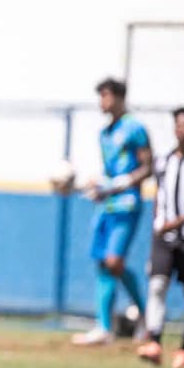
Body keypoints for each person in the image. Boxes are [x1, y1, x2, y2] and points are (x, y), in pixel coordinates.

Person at [71, 78, 152, 346]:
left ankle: (146, 316)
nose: (102, 101)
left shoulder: (135, 128)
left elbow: (147, 167)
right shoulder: (104, 133)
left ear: (119, 97)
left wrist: (120, 183)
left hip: (127, 204)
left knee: (114, 261)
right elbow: (108, 172)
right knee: (102, 262)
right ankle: (104, 327)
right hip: (107, 206)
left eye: (105, 95)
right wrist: (96, 186)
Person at [137, 107, 184, 368]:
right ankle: (154, 341)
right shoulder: (164, 161)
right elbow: (160, 195)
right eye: (177, 124)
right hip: (163, 236)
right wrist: (157, 221)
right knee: (157, 285)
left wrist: (176, 222)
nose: (179, 129)